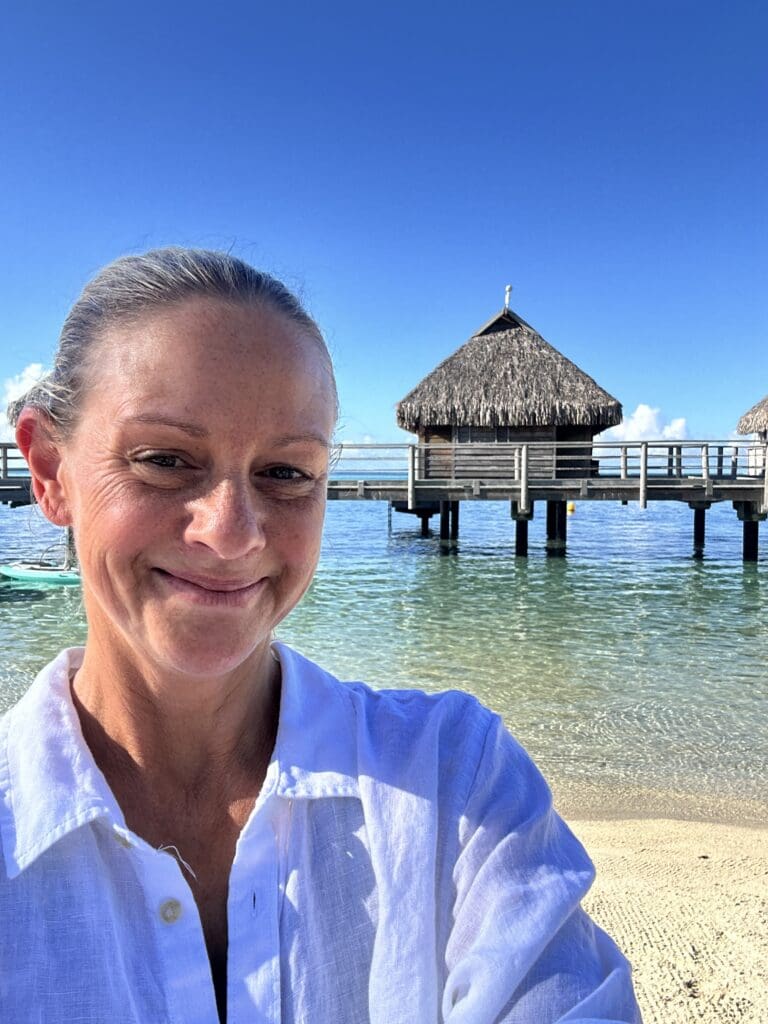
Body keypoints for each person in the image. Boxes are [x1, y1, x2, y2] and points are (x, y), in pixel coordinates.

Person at [0, 247, 642, 1023]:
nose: (232, 533)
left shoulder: (453, 784)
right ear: (48, 470)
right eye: (164, 460)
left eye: (287, 472)